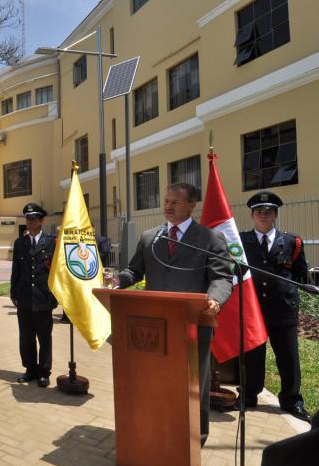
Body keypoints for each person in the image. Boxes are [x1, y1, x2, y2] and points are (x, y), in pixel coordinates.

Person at [115, 182, 233, 446]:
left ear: (192, 205)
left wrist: (214, 299)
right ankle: (161, 429)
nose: (167, 207)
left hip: (194, 325)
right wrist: (117, 281)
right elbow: (135, 271)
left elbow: (222, 277)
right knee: (159, 381)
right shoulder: (150, 237)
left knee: (194, 387)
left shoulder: (209, 239)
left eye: (175, 202)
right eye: (166, 201)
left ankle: (194, 438)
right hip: (156, 328)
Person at [238, 191, 310, 422]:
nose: (263, 214)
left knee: (289, 358)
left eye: (268, 211)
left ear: (275, 215)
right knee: (252, 358)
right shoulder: (241, 241)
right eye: (259, 211)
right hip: (254, 310)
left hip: (283, 311)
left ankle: (291, 400)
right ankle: (249, 395)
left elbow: (300, 276)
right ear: (252, 215)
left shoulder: (292, 242)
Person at [11, 202, 58, 387]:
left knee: (44, 337)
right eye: (27, 219)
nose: (29, 222)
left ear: (41, 221)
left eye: (33, 219)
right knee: (26, 336)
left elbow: (56, 271)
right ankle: (30, 369)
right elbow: (16, 270)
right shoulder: (19, 243)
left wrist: (55, 295)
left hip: (43, 297)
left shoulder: (51, 242)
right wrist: (13, 292)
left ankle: (44, 372)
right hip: (24, 297)